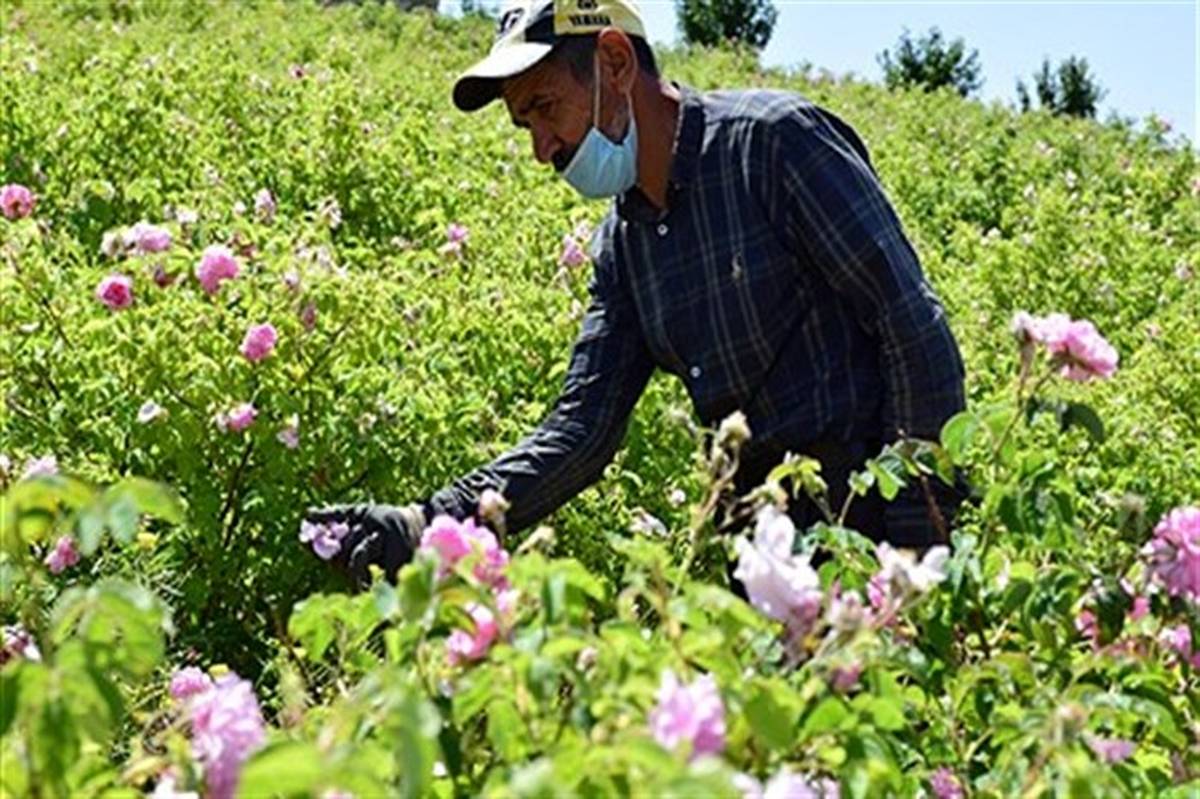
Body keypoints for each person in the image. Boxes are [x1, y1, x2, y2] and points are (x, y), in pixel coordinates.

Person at [304, 0, 968, 587]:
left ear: (615, 61)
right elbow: (581, 431)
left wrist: (916, 537)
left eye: (544, 107)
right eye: (523, 124)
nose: (541, 149)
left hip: (879, 537)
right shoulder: (624, 244)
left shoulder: (773, 145)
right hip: (770, 562)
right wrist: (427, 522)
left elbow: (910, 324)